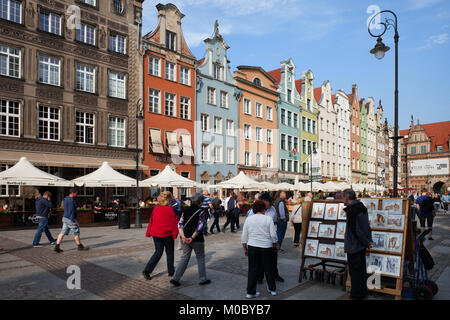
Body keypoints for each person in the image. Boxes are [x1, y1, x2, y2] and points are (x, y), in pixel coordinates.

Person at [170, 193, 211, 286]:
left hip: (184, 238)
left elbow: (180, 224)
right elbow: (200, 227)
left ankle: (175, 278)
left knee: (184, 257)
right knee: (200, 258)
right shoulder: (201, 212)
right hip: (197, 239)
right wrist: (192, 237)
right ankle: (202, 279)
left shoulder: (185, 211)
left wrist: (183, 236)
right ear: (200, 202)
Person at [241, 200, 278, 299]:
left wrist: (245, 248)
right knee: (268, 268)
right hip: (266, 246)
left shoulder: (249, 219)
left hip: (252, 246)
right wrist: (276, 243)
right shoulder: (268, 219)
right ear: (263, 209)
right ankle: (272, 289)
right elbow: (273, 234)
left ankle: (250, 292)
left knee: (252, 269)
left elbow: (244, 236)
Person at [342, 188, 372, 300]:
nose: (342, 200)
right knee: (361, 270)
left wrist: (366, 241)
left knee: (355, 272)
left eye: (342, 197)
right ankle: (362, 292)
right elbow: (366, 226)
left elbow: (356, 230)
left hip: (354, 245)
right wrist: (368, 241)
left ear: (347, 197)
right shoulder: (361, 207)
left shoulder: (352, 210)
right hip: (361, 245)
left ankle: (355, 296)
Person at [142, 191, 179, 280]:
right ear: (168, 200)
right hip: (167, 234)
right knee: (169, 252)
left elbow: (151, 221)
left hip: (156, 234)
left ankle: (147, 270)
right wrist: (175, 234)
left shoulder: (156, 208)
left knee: (158, 252)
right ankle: (171, 271)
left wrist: (148, 232)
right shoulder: (170, 209)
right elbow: (173, 223)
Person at [54, 188, 89, 253]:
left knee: (62, 232)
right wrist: (73, 221)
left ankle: (57, 246)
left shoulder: (66, 199)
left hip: (65, 217)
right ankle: (79, 246)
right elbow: (71, 211)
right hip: (70, 219)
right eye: (76, 193)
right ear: (73, 192)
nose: (77, 194)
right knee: (76, 231)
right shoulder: (71, 200)